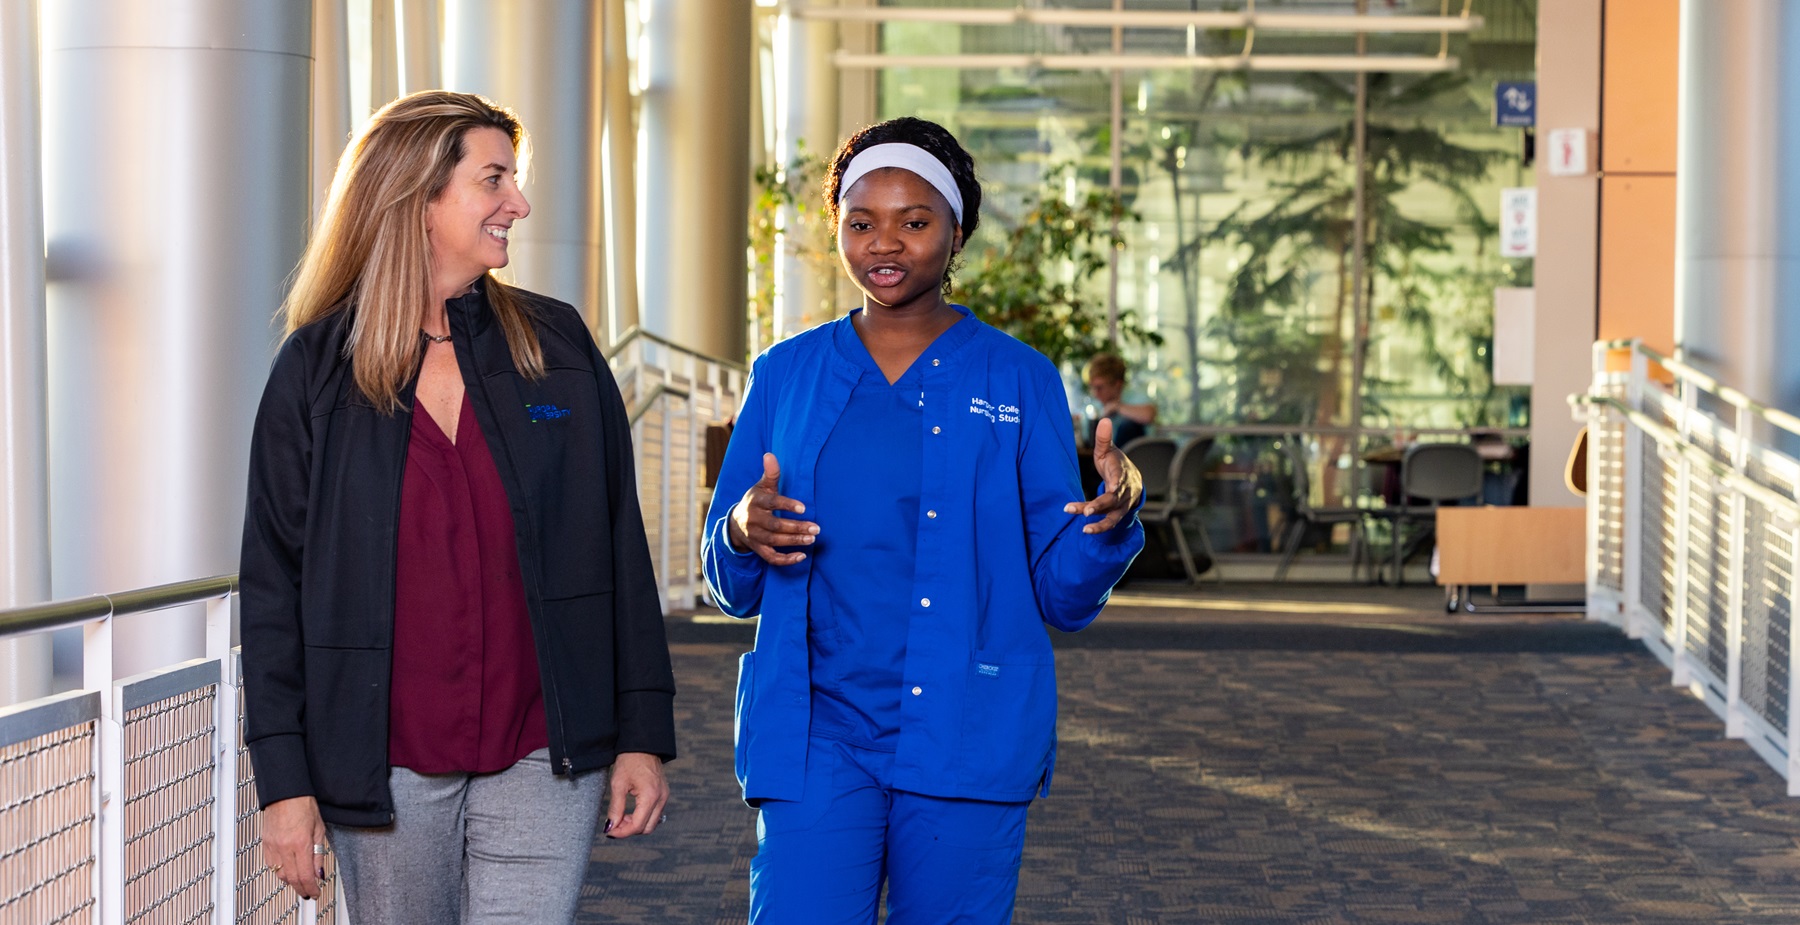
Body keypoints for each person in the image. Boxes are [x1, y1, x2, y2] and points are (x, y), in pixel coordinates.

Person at [239, 91, 675, 924]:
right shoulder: (316, 371)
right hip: (385, 760)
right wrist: (283, 784)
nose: (520, 202)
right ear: (417, 195)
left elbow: (620, 547)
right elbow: (273, 587)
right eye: (495, 179)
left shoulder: (558, 347)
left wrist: (641, 732)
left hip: (546, 749)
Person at [701, 116, 1146, 924]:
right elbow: (730, 580)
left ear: (957, 230)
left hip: (966, 724)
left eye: (915, 222)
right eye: (861, 222)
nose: (886, 244)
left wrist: (1108, 523)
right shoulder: (785, 374)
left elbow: (1062, 595)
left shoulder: (1018, 378)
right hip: (816, 732)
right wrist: (737, 527)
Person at [1075, 352, 1158, 498]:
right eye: (1092, 388)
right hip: (1100, 468)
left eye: (1100, 387)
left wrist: (1117, 407)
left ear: (1117, 385)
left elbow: (1148, 415)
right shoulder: (1095, 405)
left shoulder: (1136, 398)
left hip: (1138, 470)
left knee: (1129, 427)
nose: (1095, 393)